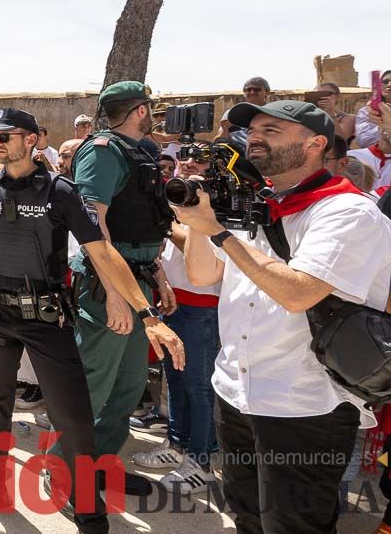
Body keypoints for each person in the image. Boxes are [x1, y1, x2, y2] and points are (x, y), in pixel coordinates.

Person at [0, 107, 184, 528]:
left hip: (45, 320)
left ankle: (87, 507)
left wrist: (145, 312)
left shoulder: (60, 191)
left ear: (31, 139)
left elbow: (101, 251)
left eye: (6, 136)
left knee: (72, 414)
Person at [177, 99, 391, 534]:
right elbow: (202, 274)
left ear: (315, 144)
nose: (255, 137)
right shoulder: (257, 202)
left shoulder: (346, 211)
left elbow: (299, 292)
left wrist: (218, 230)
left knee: (294, 525)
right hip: (236, 392)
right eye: (253, 130)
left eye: (272, 130)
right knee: (248, 516)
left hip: (304, 403)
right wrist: (198, 217)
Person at [69, 81, 179, 497]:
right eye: (149, 107)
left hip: (140, 281)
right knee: (93, 386)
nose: (152, 113)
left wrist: (160, 276)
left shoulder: (142, 152)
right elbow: (92, 226)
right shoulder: (102, 152)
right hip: (107, 287)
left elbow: (146, 223)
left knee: (128, 385)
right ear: (138, 111)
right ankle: (65, 472)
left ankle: (100, 465)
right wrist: (113, 291)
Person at [132, 152, 220, 494]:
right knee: (177, 382)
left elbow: (196, 245)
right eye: (185, 162)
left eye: (200, 162)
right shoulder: (178, 202)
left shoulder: (211, 208)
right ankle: (177, 446)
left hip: (202, 306)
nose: (190, 167)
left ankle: (202, 461)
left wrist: (166, 221)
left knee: (199, 387)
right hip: (173, 303)